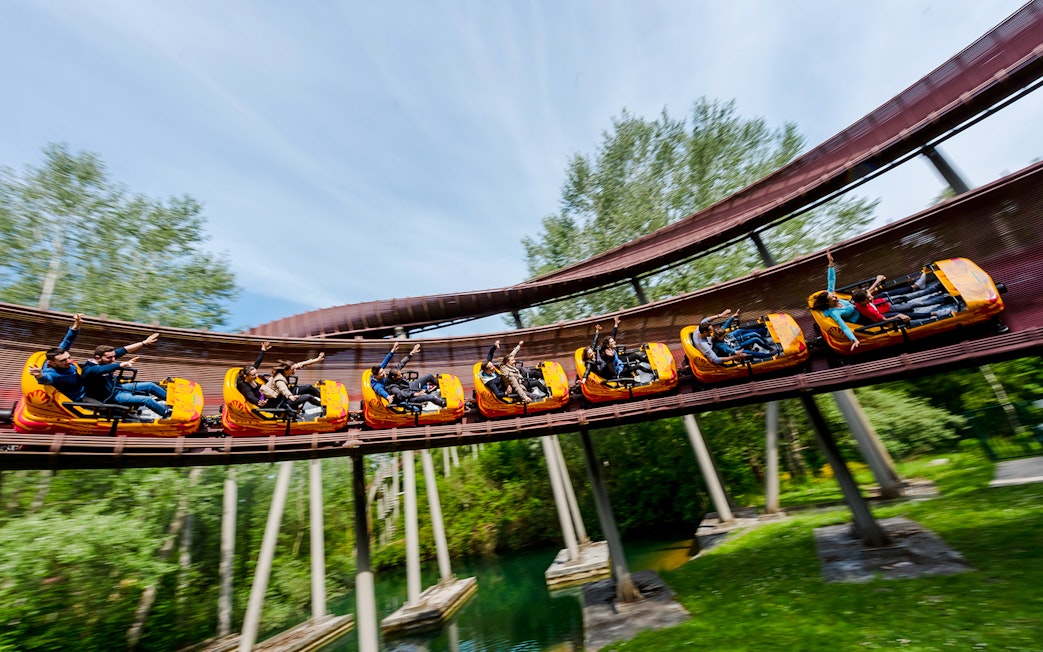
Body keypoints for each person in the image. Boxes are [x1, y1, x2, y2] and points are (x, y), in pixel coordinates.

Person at [82, 332, 170, 418]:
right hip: (112, 396)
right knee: (146, 400)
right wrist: (121, 365)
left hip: (117, 387)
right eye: (110, 358)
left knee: (150, 385)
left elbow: (124, 350)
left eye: (114, 357)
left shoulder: (105, 359)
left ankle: (173, 401)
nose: (113, 360)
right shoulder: (89, 369)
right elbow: (101, 370)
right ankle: (167, 415)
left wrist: (143, 343)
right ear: (98, 357)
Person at [809, 250, 863, 352]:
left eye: (833, 295)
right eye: (832, 298)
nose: (835, 297)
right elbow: (844, 327)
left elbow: (831, 280)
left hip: (860, 306)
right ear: (827, 303)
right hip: (861, 319)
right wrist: (854, 339)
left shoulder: (831, 295)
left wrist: (831, 264)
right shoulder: (834, 313)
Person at [370, 343, 446, 408]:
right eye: (381, 373)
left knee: (429, 376)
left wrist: (411, 352)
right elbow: (387, 392)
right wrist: (388, 397)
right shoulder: (386, 386)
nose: (383, 373)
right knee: (430, 397)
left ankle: (440, 387)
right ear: (376, 376)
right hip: (408, 396)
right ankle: (443, 404)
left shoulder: (389, 373)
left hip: (408, 386)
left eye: (383, 371)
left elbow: (400, 363)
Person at [260, 353, 325, 412]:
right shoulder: (279, 379)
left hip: (287, 393)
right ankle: (324, 405)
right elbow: (283, 389)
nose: (295, 370)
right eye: (293, 369)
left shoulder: (286, 370)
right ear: (286, 370)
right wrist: (290, 396)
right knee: (308, 397)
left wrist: (317, 359)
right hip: (283, 400)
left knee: (309, 387)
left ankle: (325, 398)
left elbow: (301, 364)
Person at [236, 341, 272, 406]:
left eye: (256, 373)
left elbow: (257, 362)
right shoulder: (244, 386)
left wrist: (263, 350)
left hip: (264, 396)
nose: (256, 376)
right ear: (245, 376)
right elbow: (249, 396)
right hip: (260, 403)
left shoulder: (251, 376)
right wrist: (258, 402)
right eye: (253, 375)